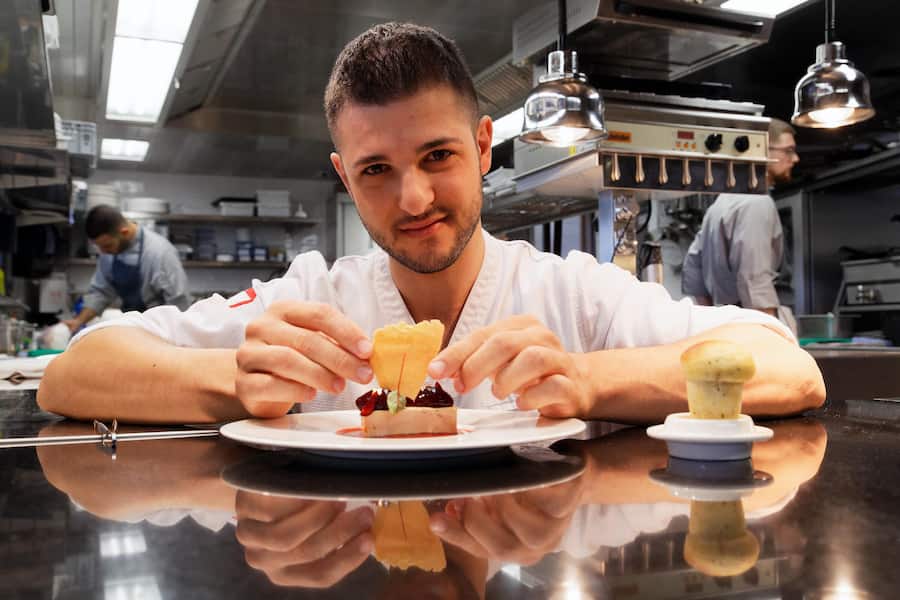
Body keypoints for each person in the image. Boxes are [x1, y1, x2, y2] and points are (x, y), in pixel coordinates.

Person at [38, 23, 824, 425]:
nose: (413, 199)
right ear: (345, 177)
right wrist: (234, 381)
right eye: (377, 169)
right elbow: (76, 371)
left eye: (438, 155)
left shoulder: (569, 297)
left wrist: (586, 381)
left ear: (483, 148)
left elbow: (788, 370)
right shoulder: (312, 299)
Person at [681, 118, 800, 330]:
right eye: (788, 150)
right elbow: (754, 277)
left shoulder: (721, 203)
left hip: (729, 324)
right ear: (762, 150)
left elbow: (692, 267)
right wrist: (766, 336)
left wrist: (714, 320)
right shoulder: (758, 203)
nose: (795, 158)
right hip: (755, 325)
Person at [62, 204, 192, 332]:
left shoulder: (160, 252)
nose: (103, 251)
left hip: (161, 329)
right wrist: (78, 321)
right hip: (133, 325)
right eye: (99, 247)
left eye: (107, 246)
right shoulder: (108, 252)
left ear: (124, 232)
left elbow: (179, 303)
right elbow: (101, 292)